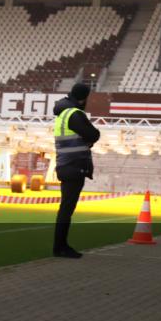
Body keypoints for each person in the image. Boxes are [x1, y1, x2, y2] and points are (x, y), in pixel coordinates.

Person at [52, 83, 100, 258]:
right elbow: (94, 134)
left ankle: (60, 245)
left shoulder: (63, 114)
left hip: (65, 164)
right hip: (74, 166)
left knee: (66, 207)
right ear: (83, 98)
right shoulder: (75, 114)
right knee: (66, 208)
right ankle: (60, 247)